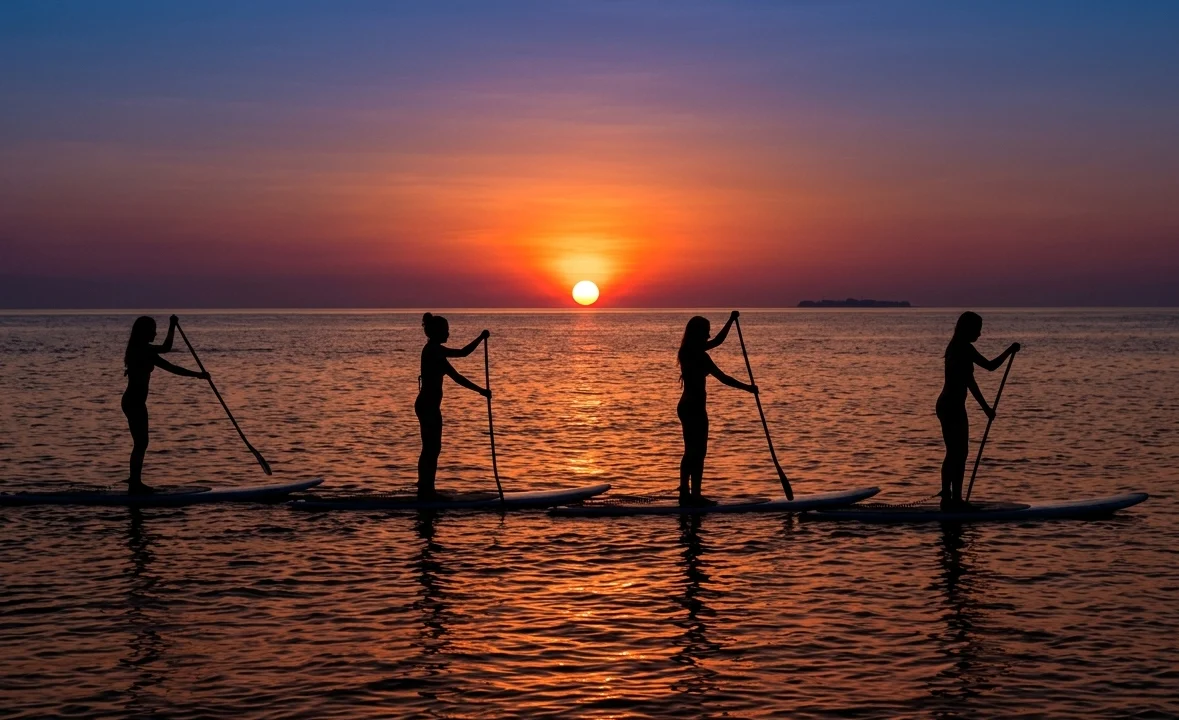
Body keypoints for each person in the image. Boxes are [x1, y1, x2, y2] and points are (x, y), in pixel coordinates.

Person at [936, 311, 1020, 510]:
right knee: (956, 452)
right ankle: (950, 500)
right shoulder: (959, 349)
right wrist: (986, 409)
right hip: (950, 407)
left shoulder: (963, 347)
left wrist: (1009, 351)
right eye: (978, 329)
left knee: (959, 453)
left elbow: (990, 366)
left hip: (953, 406)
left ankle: (953, 498)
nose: (980, 334)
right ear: (968, 329)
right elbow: (970, 383)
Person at [676, 311, 757, 506]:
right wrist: (748, 388)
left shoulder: (686, 351)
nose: (708, 336)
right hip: (694, 408)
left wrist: (730, 320)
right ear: (698, 334)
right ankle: (694, 496)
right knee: (699, 452)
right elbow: (723, 378)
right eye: (706, 332)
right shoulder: (699, 356)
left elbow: (718, 340)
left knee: (690, 452)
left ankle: (685, 494)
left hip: (686, 407)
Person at [122, 315, 208, 494]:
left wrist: (197, 375)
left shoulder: (141, 349)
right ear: (144, 332)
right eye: (152, 329)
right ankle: (135, 484)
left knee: (141, 443)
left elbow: (168, 357)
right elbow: (172, 365)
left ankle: (134, 482)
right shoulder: (143, 351)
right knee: (141, 443)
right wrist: (198, 375)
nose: (155, 332)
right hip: (134, 402)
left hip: (135, 402)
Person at [416, 313, 491, 500]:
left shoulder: (436, 353)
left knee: (432, 448)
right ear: (437, 332)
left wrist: (481, 391)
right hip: (428, 406)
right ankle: (427, 491)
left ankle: (426, 488)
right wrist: (481, 338)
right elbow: (464, 353)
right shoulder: (433, 351)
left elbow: (457, 378)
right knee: (431, 448)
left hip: (429, 406)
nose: (448, 334)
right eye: (446, 331)